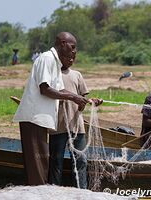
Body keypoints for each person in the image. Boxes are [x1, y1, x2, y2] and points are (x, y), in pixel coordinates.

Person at [13, 32, 89, 185]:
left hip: (41, 120)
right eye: (72, 47)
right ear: (62, 43)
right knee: (38, 167)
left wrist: (79, 97)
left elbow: (60, 90)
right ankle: (38, 194)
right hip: (33, 119)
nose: (74, 51)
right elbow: (45, 89)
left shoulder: (55, 63)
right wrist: (74, 97)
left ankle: (40, 193)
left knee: (42, 165)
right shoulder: (47, 59)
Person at [48, 55, 102, 188]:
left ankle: (81, 191)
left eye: (73, 58)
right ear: (59, 57)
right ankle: (53, 191)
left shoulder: (77, 75)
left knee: (81, 161)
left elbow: (81, 103)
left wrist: (89, 102)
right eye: (68, 57)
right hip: (57, 126)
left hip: (77, 126)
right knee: (56, 161)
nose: (71, 59)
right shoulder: (52, 75)